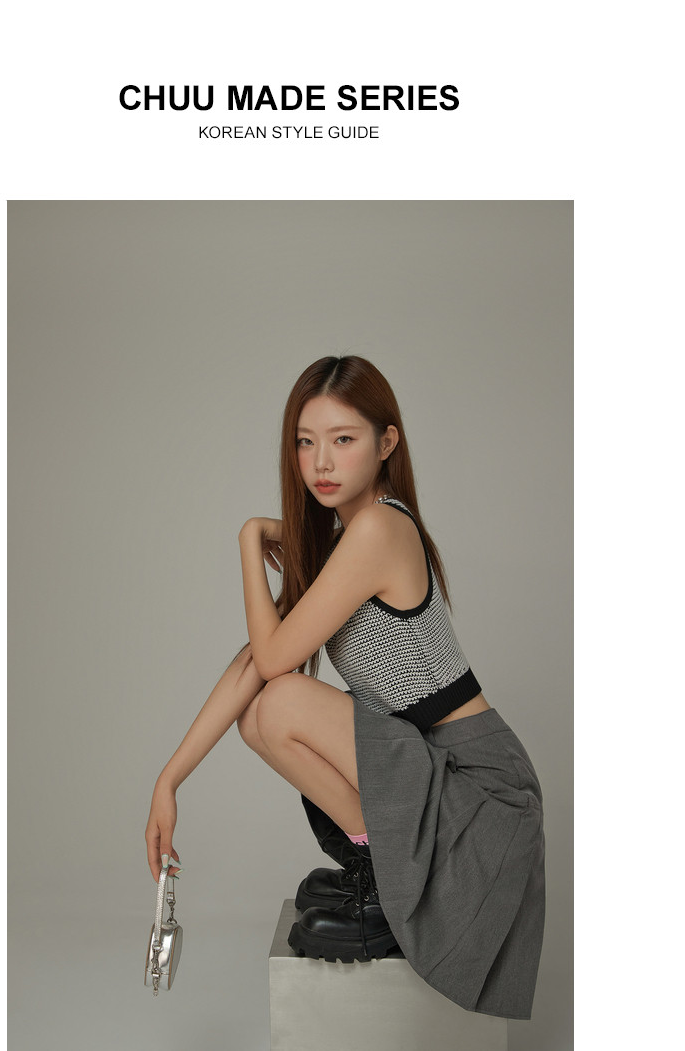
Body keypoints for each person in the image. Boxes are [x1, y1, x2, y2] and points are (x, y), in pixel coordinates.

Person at [145, 355, 545, 1020]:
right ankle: (380, 867)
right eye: (306, 442)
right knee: (259, 713)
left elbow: (273, 659)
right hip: (432, 766)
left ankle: (384, 881)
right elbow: (251, 666)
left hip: (479, 789)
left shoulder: (379, 529)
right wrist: (170, 780)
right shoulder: (344, 542)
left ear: (387, 444)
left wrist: (249, 539)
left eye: (343, 439)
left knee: (279, 703)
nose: (321, 462)